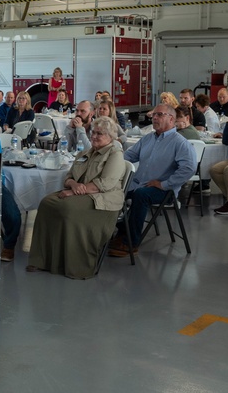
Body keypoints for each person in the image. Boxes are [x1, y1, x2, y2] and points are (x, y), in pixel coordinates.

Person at [26, 117, 125, 279]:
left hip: (102, 200)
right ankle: (41, 259)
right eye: (93, 132)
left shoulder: (115, 154)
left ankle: (74, 264)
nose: (93, 136)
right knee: (46, 203)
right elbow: (69, 176)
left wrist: (74, 191)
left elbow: (104, 184)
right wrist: (72, 185)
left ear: (110, 137)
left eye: (99, 134)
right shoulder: (85, 153)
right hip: (81, 193)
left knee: (67, 208)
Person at [107, 104, 195, 257]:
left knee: (141, 195)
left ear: (171, 119)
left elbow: (189, 168)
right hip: (140, 183)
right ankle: (120, 229)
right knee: (112, 189)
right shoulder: (148, 138)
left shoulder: (180, 142)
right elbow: (128, 156)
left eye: (159, 114)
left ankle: (131, 242)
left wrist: (164, 184)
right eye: (154, 114)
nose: (154, 117)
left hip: (164, 190)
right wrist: (109, 160)